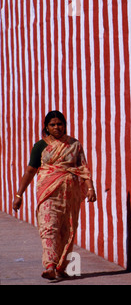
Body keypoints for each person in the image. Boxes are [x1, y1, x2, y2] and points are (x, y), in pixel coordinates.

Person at [12, 110, 97, 280]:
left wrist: (90, 188)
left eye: (60, 124)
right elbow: (30, 171)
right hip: (47, 193)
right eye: (52, 125)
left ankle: (61, 267)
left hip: (69, 194)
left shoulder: (74, 144)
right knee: (49, 227)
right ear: (46, 127)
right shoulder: (40, 146)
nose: (57, 127)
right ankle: (50, 265)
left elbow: (83, 168)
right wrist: (19, 195)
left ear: (65, 125)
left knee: (67, 230)